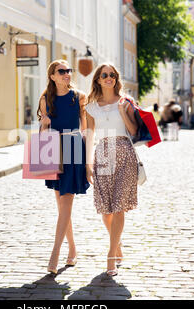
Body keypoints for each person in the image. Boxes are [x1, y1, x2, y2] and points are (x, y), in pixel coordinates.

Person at [84, 63, 138, 276]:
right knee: (105, 209)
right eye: (104, 75)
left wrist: (123, 112)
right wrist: (87, 164)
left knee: (119, 206)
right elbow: (89, 136)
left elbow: (133, 130)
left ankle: (111, 257)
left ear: (116, 79)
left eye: (113, 75)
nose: (109, 78)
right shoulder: (91, 107)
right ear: (98, 79)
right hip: (103, 153)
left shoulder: (126, 102)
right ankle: (117, 245)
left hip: (124, 151)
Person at [37, 60, 90, 275]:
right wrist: (44, 124)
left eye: (69, 71)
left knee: (66, 202)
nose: (67, 74)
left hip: (73, 148)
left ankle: (55, 254)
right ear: (52, 76)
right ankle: (73, 250)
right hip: (53, 150)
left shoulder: (79, 97)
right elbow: (43, 133)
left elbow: (85, 131)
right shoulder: (44, 99)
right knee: (62, 207)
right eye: (62, 71)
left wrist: (88, 163)